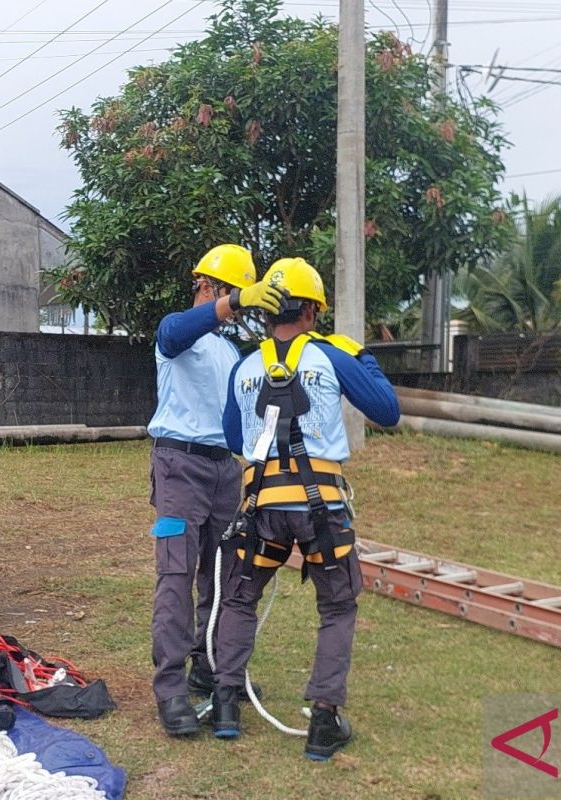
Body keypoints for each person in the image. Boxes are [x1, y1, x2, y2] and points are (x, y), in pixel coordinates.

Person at [211, 257, 400, 760]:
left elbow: (234, 437)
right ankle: (323, 720)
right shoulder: (332, 356)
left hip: (260, 507)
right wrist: (362, 358)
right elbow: (387, 411)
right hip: (322, 508)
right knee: (337, 605)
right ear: (314, 310)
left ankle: (225, 702)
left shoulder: (244, 366)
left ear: (268, 311)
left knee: (239, 599)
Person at [147, 244, 284, 737]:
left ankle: (211, 667)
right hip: (178, 464)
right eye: (232, 294)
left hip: (224, 469)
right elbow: (173, 331)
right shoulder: (178, 333)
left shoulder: (229, 350)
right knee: (176, 575)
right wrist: (236, 300)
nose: (237, 307)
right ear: (211, 287)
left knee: (227, 576)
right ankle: (170, 687)